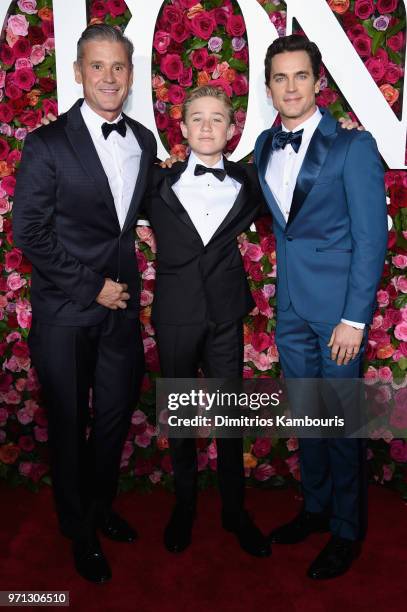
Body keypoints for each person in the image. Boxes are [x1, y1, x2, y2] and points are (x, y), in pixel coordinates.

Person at [12, 24, 157, 583]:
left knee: (116, 418)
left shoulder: (143, 140)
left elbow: (141, 212)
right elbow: (29, 231)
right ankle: (79, 530)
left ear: (130, 73)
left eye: (118, 67)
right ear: (77, 72)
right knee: (71, 426)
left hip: (121, 311)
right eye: (97, 66)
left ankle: (100, 508)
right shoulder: (47, 144)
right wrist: (91, 285)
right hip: (67, 313)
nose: (109, 77)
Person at [254, 34, 388, 579]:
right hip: (290, 311)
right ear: (268, 87)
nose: (290, 87)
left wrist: (354, 318)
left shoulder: (352, 146)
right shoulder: (263, 145)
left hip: (338, 317)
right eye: (280, 78)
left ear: (318, 81)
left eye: (300, 76)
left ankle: (347, 530)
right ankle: (314, 509)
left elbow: (371, 237)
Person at [143, 86, 271, 558]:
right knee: (179, 416)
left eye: (217, 118)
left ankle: (235, 511)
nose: (206, 126)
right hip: (175, 314)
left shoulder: (250, 183)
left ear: (232, 129)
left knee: (228, 416)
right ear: (181, 127)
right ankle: (184, 505)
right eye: (197, 118)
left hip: (224, 315)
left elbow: (306, 180)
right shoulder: (155, 184)